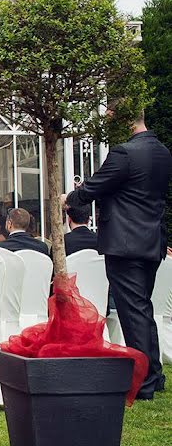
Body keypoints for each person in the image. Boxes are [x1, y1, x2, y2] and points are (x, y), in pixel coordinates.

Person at [66, 108, 172, 400]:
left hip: (126, 244)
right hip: (151, 241)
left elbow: (95, 187)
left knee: (133, 311)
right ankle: (155, 374)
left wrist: (70, 198)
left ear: (126, 120)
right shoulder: (162, 152)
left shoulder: (124, 153)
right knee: (143, 308)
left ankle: (145, 381)